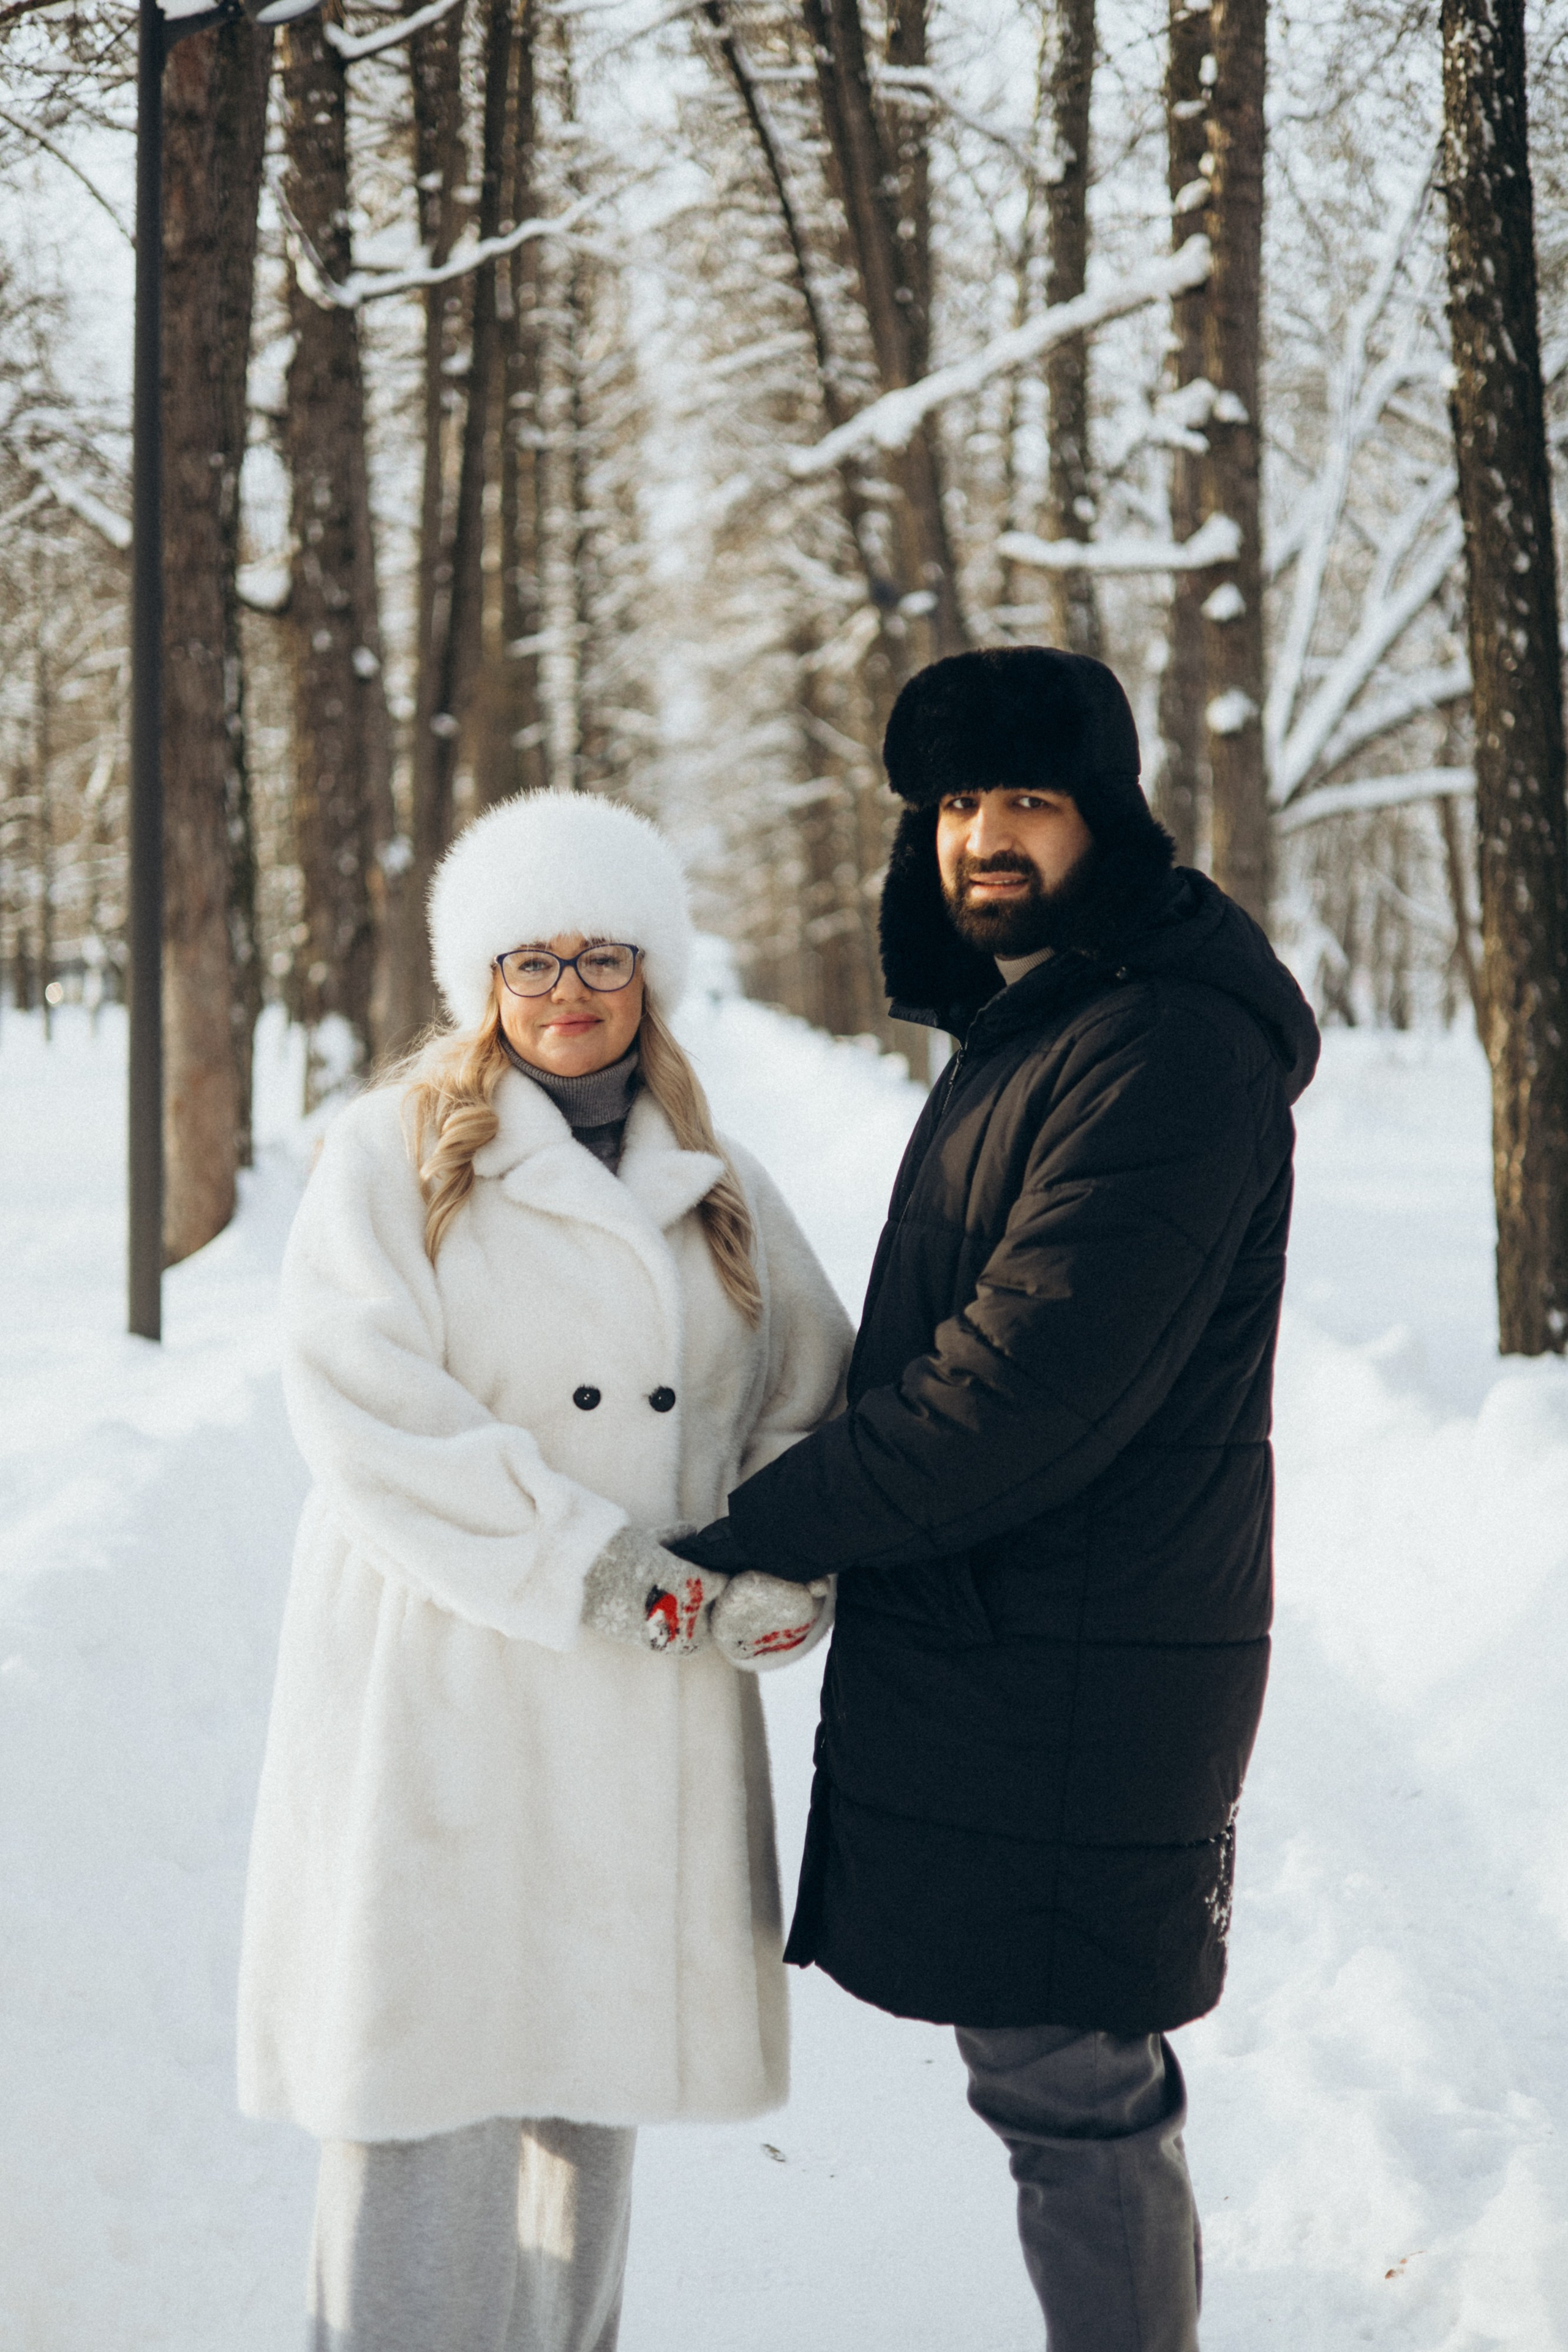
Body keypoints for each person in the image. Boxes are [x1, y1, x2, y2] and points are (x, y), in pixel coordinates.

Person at [671, 647, 1321, 2351]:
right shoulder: (1047, 1023)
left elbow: (1021, 1391)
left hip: (1085, 1643)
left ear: (1106, 813)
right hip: (1032, 1627)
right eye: (957, 802)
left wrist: (760, 1527)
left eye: (1027, 798)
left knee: (1070, 2076)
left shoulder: (1161, 1044)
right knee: (1052, 2066)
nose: (984, 837)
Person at [236, 790, 852, 2352]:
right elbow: (364, 1405)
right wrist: (589, 1572)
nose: (566, 990)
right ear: (484, 983)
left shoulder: (718, 1178)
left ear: (649, 975)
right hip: (444, 1672)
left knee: (589, 2084)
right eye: (531, 960)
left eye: (601, 956)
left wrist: (778, 1566)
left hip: (643, 1694)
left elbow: (805, 1399)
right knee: (424, 2089)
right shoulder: (391, 1153)